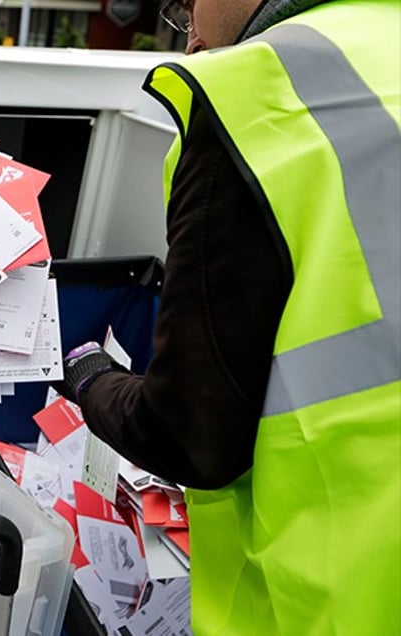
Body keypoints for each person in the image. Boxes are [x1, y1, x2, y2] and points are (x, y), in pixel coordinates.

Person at [55, 0, 400, 633]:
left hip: (329, 599)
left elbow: (188, 437)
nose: (189, 44)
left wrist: (88, 373)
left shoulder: (251, 96)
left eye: (186, 10)